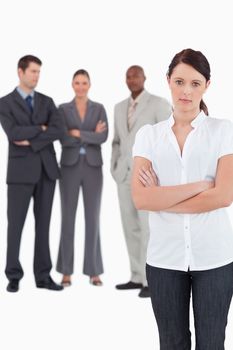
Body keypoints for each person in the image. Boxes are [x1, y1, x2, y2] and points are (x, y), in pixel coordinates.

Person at [131, 48, 233, 349]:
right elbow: (140, 199)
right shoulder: (148, 136)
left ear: (207, 86)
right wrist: (201, 186)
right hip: (164, 259)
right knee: (172, 343)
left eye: (195, 83)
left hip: (214, 258)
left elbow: (225, 196)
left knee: (211, 343)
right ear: (168, 81)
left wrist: (161, 197)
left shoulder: (223, 131)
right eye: (179, 82)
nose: (186, 91)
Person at [0, 55, 64, 292]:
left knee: (44, 226)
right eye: (33, 72)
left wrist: (32, 138)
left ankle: (43, 276)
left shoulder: (47, 101)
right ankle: (13, 275)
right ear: (20, 72)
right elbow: (14, 133)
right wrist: (41, 129)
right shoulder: (4, 103)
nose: (36, 76)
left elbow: (58, 130)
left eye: (39, 72)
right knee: (15, 225)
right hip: (19, 174)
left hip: (47, 172)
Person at [111, 65, 171, 298]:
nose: (132, 78)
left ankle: (150, 279)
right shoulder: (118, 108)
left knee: (149, 228)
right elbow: (116, 141)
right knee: (130, 226)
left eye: (136, 74)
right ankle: (136, 276)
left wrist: (160, 172)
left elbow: (169, 137)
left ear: (144, 78)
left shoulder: (158, 104)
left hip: (148, 176)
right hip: (124, 176)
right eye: (128, 75)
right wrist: (115, 167)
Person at [56, 69, 108, 287]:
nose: (80, 86)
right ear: (72, 85)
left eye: (84, 82)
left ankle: (93, 271)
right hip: (69, 167)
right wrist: (89, 136)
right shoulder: (62, 109)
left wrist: (77, 133)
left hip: (93, 168)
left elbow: (103, 136)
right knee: (67, 219)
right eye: (76, 82)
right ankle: (66, 271)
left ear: (89, 85)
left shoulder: (99, 109)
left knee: (93, 219)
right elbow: (62, 137)